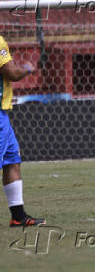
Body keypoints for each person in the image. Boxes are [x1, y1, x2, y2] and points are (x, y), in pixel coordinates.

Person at [0, 36, 46, 227]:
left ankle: (18, 216)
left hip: (3, 114)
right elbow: (11, 73)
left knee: (12, 160)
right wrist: (27, 68)